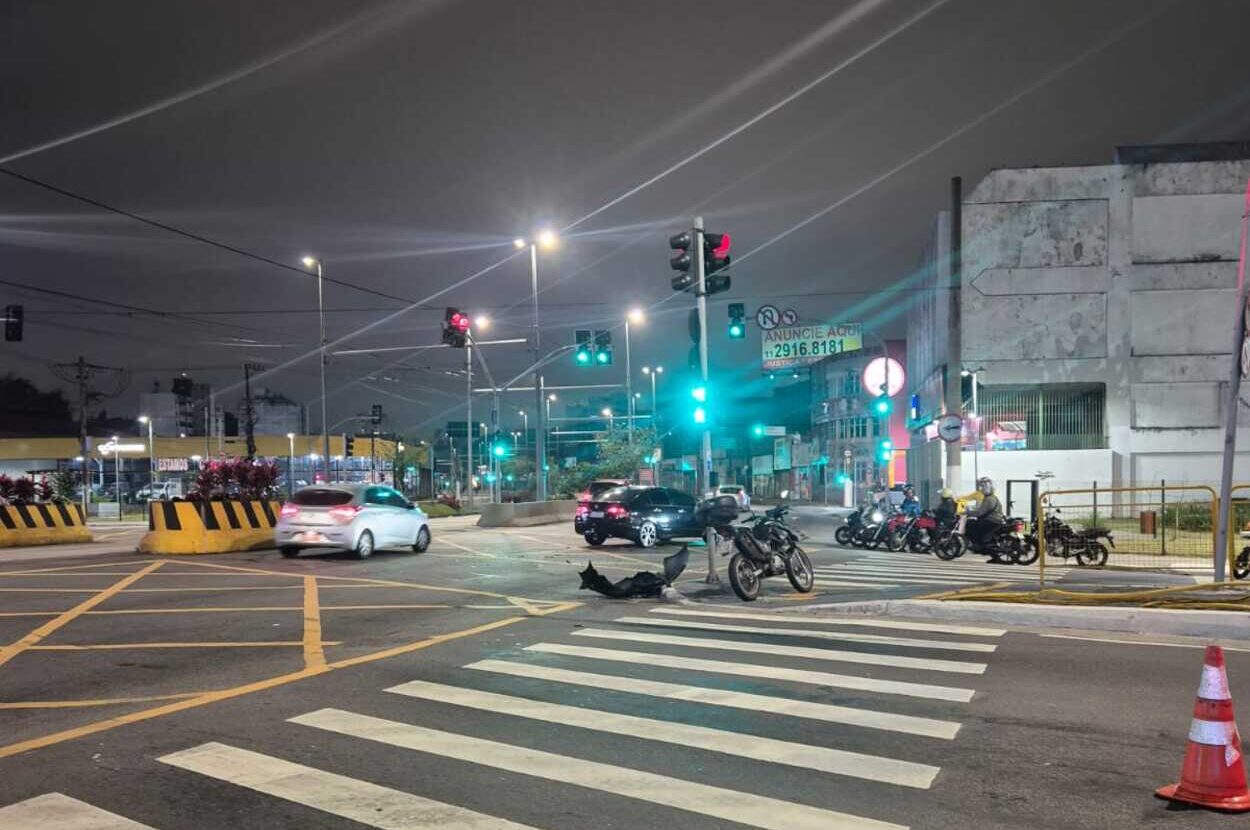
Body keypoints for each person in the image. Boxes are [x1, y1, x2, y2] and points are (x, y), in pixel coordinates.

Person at [965, 477, 1004, 550]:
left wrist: (968, 513)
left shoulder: (988, 499)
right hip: (996, 520)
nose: (981, 489)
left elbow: (980, 512)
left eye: (983, 487)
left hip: (991, 521)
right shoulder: (994, 498)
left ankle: (977, 544)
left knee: (970, 524)